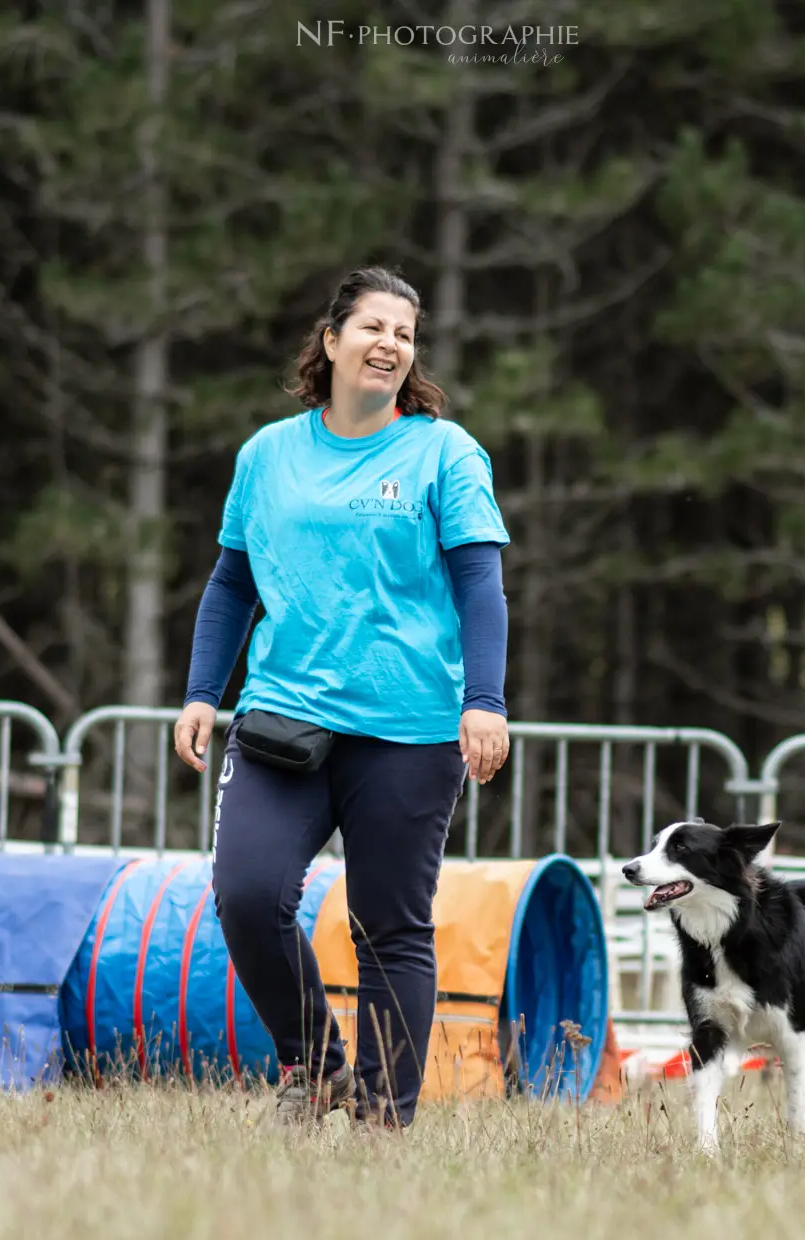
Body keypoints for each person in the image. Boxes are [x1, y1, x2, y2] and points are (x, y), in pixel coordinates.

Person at [172, 264, 511, 1130]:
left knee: (388, 926)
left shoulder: (444, 453)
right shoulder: (268, 454)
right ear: (330, 341)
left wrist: (486, 700)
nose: (391, 343)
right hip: (285, 721)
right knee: (247, 894)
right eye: (373, 327)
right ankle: (316, 1066)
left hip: (407, 730)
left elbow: (480, 585)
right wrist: (202, 691)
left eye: (405, 332)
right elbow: (231, 581)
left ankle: (383, 1121)